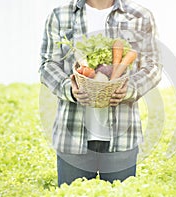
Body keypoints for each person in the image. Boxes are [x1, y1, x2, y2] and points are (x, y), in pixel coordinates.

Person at [39, 0, 161, 186]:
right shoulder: (60, 15)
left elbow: (153, 66)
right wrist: (69, 88)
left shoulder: (140, 15)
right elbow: (48, 65)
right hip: (72, 137)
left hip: (123, 137)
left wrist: (130, 88)